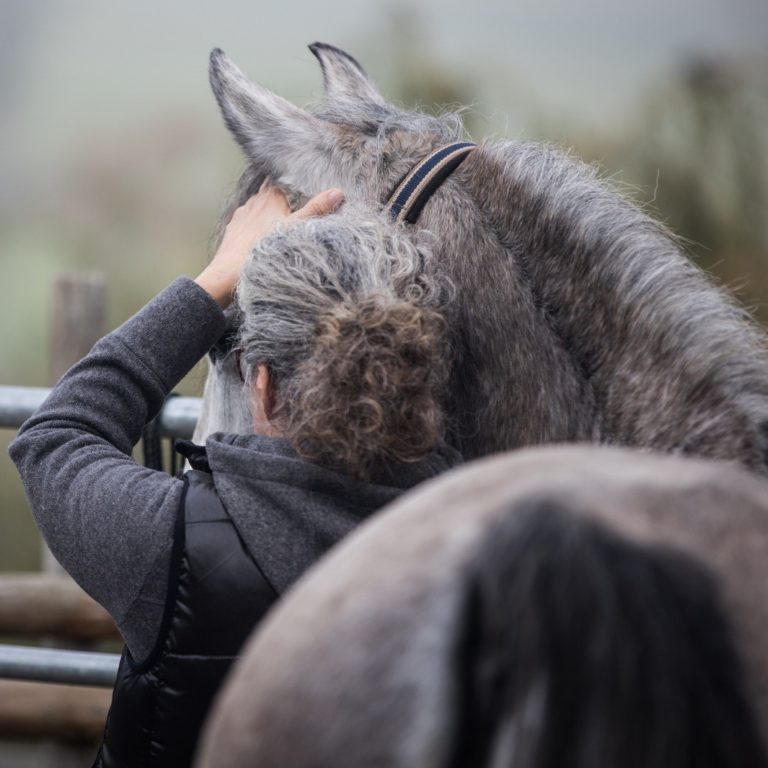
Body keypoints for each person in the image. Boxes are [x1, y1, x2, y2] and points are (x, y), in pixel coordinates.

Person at [9, 183, 458, 767]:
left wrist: (218, 276)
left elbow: (55, 436)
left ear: (263, 387)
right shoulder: (470, 538)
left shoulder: (169, 544)